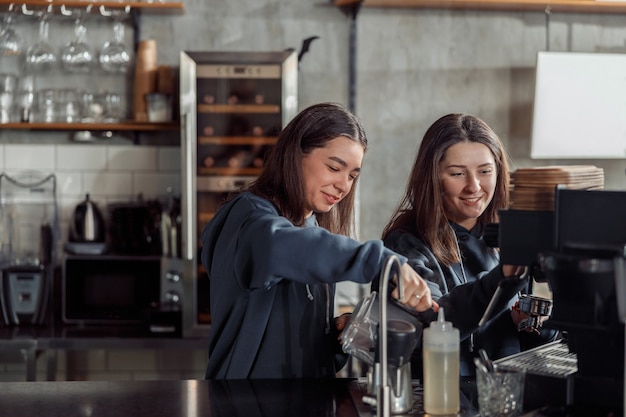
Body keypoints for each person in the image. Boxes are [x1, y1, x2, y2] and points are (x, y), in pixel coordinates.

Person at [201, 102, 437, 379]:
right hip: (246, 403)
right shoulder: (249, 218)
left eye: (352, 175)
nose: (344, 186)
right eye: (334, 167)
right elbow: (286, 247)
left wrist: (337, 335)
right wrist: (384, 260)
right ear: (295, 154)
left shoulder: (312, 226)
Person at [381, 113, 557, 379]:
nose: (473, 186)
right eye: (457, 173)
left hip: (505, 395)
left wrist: (534, 325)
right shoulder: (406, 242)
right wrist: (505, 278)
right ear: (433, 177)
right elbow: (433, 323)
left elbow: (528, 347)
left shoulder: (508, 236)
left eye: (485, 171)